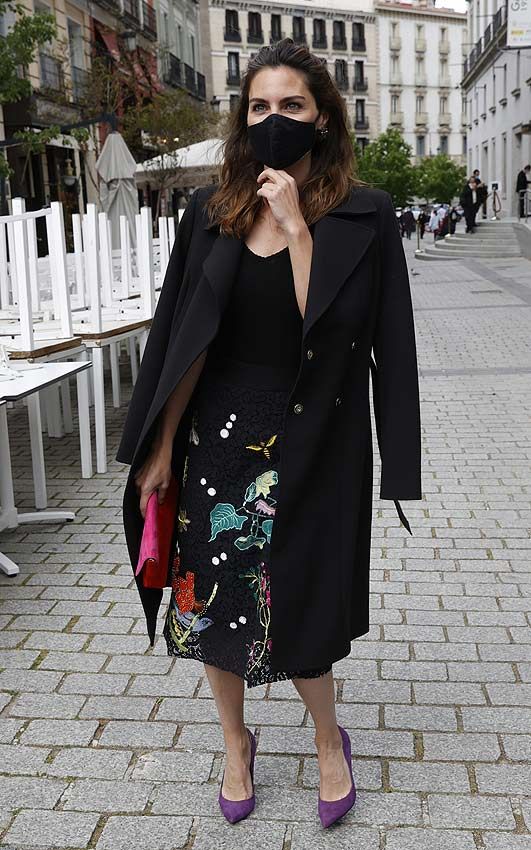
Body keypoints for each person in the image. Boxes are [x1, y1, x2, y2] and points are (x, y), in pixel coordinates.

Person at [116, 38, 421, 829]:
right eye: (258, 106)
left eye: (290, 105)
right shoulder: (211, 212)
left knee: (304, 601)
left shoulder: (365, 213)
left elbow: (360, 336)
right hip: (218, 439)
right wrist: (159, 449)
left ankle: (326, 740)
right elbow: (185, 339)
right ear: (242, 118)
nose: (272, 119)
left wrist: (296, 231)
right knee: (212, 605)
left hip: (315, 436)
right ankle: (235, 742)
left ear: (322, 118)